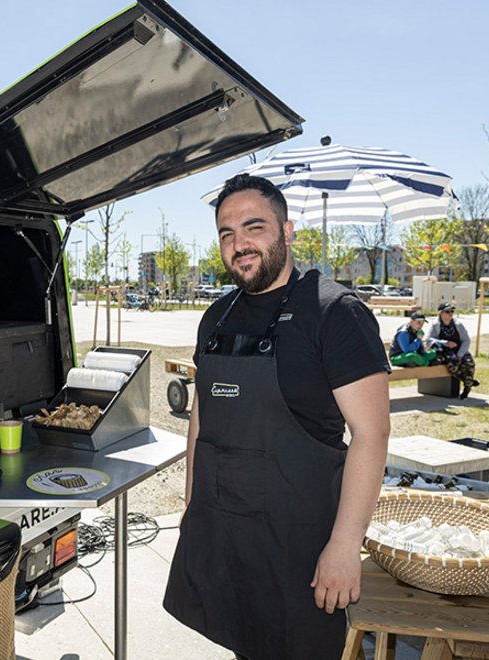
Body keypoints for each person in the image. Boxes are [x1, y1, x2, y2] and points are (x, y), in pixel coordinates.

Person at [163, 174, 390, 660]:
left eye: (254, 227)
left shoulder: (335, 313)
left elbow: (372, 434)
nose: (239, 243)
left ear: (287, 233)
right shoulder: (216, 317)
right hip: (228, 532)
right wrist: (191, 506)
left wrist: (345, 546)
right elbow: (201, 415)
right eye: (227, 233)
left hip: (300, 545)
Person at [427, 302, 479, 399]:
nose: (450, 313)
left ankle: (467, 390)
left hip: (460, 350)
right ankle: (467, 382)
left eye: (452, 311)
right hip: (445, 352)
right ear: (441, 313)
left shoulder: (458, 324)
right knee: (453, 365)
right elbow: (429, 340)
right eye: (447, 311)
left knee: (469, 363)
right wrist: (445, 343)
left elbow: (466, 340)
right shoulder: (435, 325)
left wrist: (460, 354)